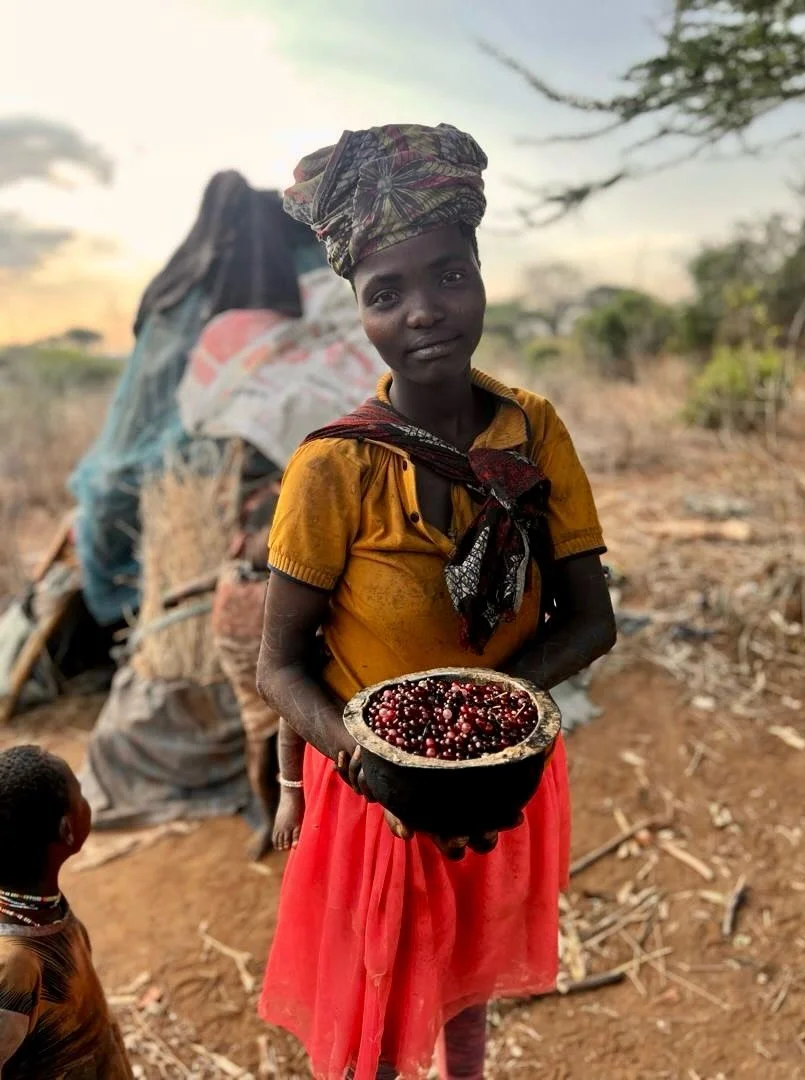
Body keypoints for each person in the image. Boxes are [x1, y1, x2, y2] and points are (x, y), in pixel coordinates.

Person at [256, 123, 616, 1080]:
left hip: (500, 771)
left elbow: (592, 620)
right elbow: (279, 665)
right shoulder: (336, 465)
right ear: (361, 314)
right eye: (387, 293)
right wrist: (380, 760)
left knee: (465, 980)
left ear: (482, 276)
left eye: (449, 276)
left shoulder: (533, 431)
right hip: (370, 784)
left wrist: (490, 719)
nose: (424, 311)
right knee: (373, 1004)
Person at [0, 745, 133, 1078]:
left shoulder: (40, 905)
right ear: (67, 830)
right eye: (81, 797)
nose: (86, 804)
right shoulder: (14, 965)